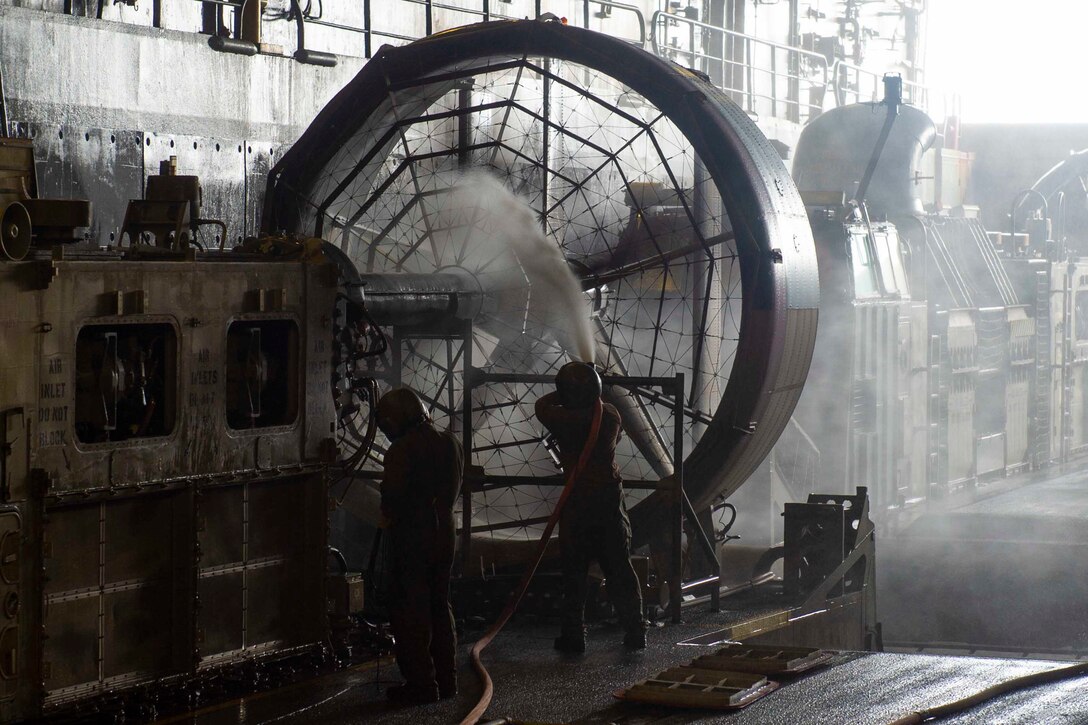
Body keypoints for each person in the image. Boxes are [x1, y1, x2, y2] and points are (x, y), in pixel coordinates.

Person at [534, 362, 646, 652]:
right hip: (609, 500)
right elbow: (599, 407)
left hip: (578, 502)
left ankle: (574, 636)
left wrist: (563, 394)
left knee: (574, 572)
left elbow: (541, 404)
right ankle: (635, 630)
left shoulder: (560, 419)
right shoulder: (609, 415)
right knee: (620, 568)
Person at [378, 387, 464, 703]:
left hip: (415, 535)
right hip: (446, 534)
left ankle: (422, 684)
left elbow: (392, 498)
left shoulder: (401, 451)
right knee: (441, 605)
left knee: (410, 608)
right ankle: (448, 680)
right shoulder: (450, 442)